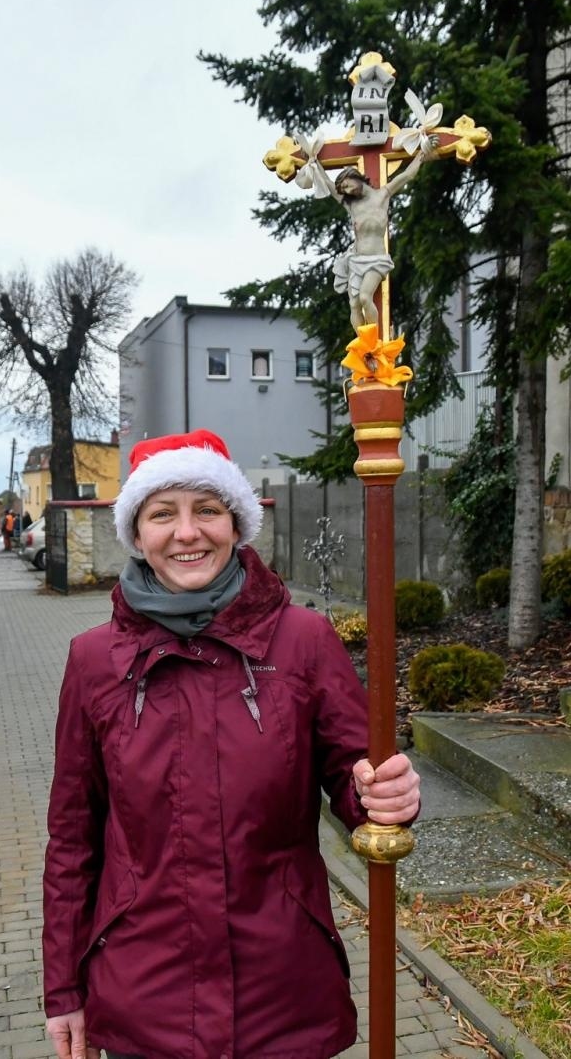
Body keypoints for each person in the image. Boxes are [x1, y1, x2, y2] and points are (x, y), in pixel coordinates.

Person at [42, 429, 421, 1059]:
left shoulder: (303, 642)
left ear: (236, 525)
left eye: (207, 510)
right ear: (137, 534)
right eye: (163, 513)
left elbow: (357, 785)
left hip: (283, 992)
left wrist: (388, 797)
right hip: (144, 997)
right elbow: (73, 840)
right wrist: (63, 988)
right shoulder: (93, 661)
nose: (187, 533)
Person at [314, 145, 429, 330]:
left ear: (354, 176)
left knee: (365, 297)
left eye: (347, 184)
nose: (348, 190)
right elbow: (327, 183)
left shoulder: (383, 195)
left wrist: (422, 154)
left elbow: (407, 175)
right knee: (354, 304)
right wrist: (314, 162)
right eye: (344, 189)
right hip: (357, 260)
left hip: (377, 260)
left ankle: (373, 343)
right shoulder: (351, 205)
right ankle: (363, 348)